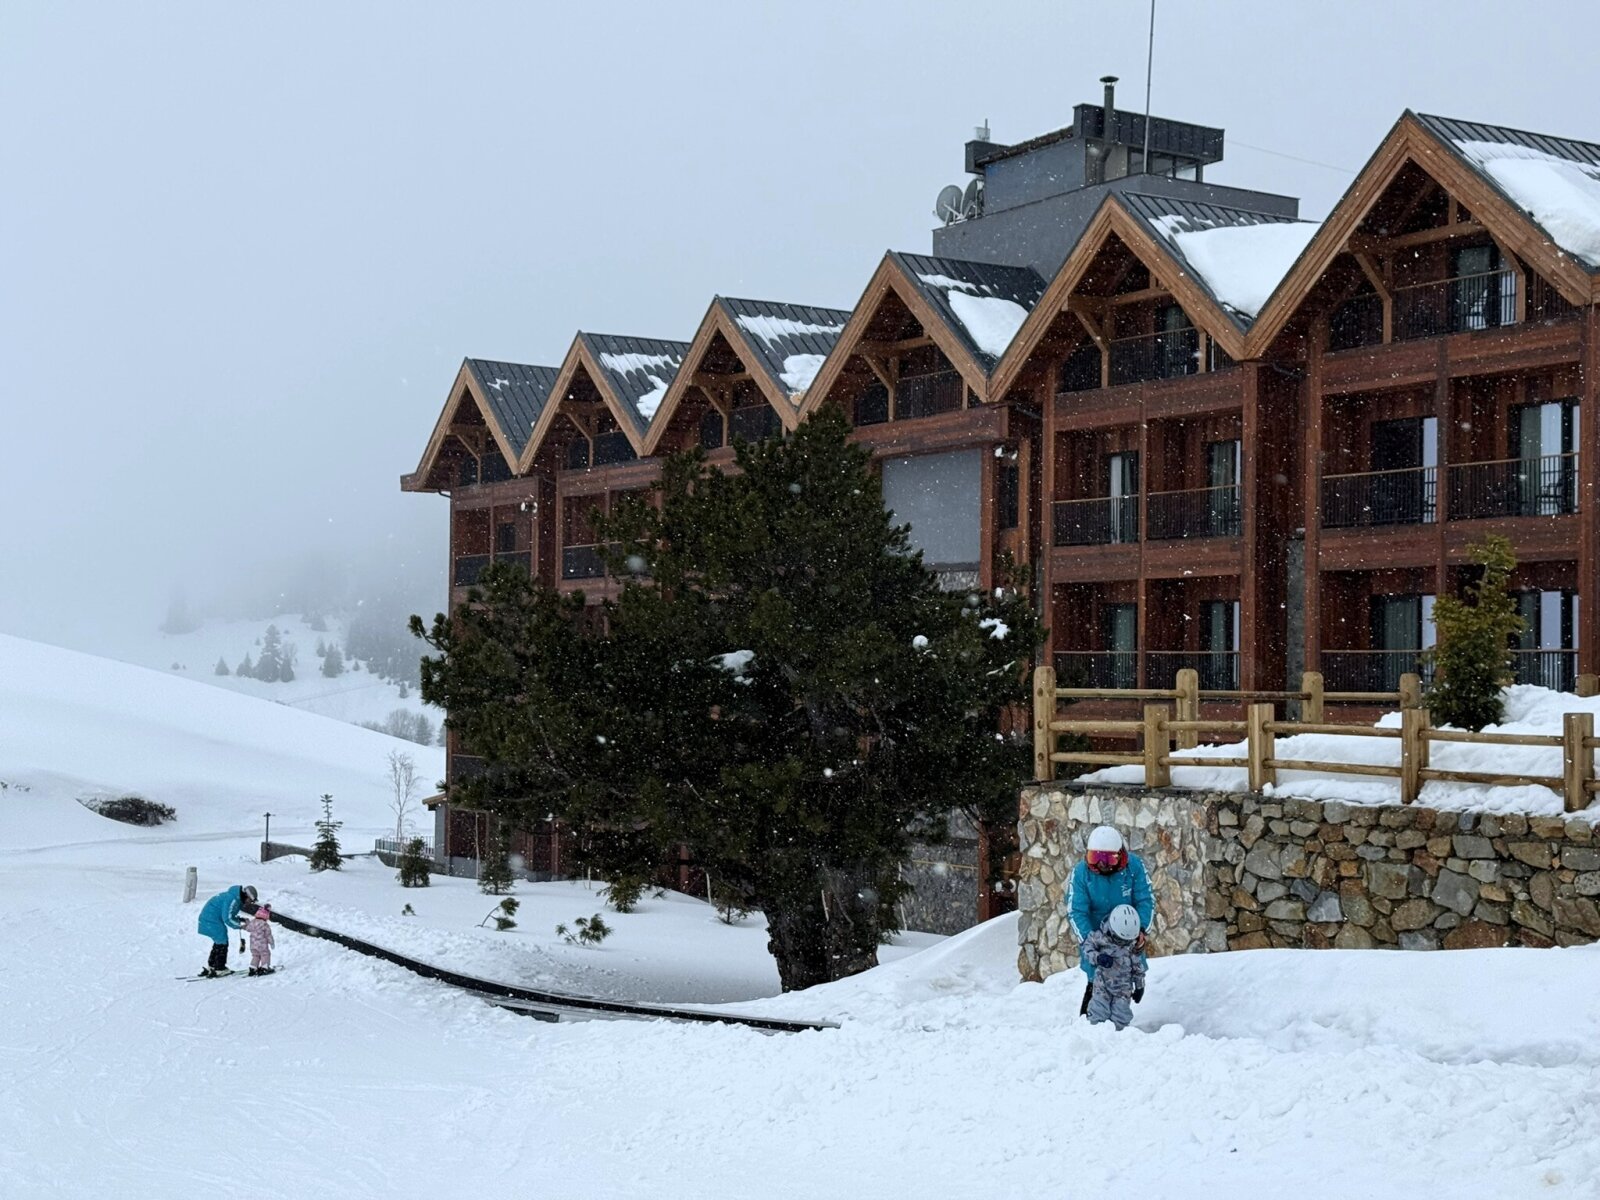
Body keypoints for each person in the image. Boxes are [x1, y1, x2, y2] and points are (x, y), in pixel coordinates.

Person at [1066, 826, 1152, 1017]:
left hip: (1127, 936)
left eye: (1109, 859)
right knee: (1096, 981)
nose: (1102, 865)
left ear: (1120, 855)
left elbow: (1145, 900)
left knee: (1123, 977)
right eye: (1095, 858)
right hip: (1098, 937)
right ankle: (1090, 1024)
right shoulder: (1081, 873)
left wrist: (1141, 930)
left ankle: (1118, 1027)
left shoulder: (1134, 868)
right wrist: (1091, 941)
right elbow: (1076, 911)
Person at [1080, 904, 1146, 1030]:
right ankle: (1094, 1038)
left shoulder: (1131, 944)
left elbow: (1138, 966)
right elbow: (1086, 948)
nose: (1124, 944)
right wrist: (1098, 957)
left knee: (1121, 1017)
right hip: (1102, 985)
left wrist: (1140, 986)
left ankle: (1119, 1042)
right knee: (1098, 1013)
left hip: (1123, 989)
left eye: (1126, 940)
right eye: (1120, 939)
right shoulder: (1100, 937)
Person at [197, 884, 256, 977]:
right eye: (250, 900)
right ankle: (219, 968)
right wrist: (241, 926)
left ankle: (212, 966)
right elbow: (227, 919)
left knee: (219, 941)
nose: (250, 903)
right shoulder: (233, 900)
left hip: (209, 919)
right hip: (211, 920)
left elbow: (229, 914)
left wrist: (240, 920)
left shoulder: (235, 898)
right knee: (222, 942)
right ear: (247, 896)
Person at [246, 903, 275, 976]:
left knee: (255, 956)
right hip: (262, 945)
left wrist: (247, 923)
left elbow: (248, 928)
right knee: (265, 955)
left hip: (253, 945)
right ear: (266, 916)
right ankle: (265, 968)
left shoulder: (252, 922)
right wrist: (271, 943)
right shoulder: (265, 925)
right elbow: (268, 935)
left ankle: (253, 968)